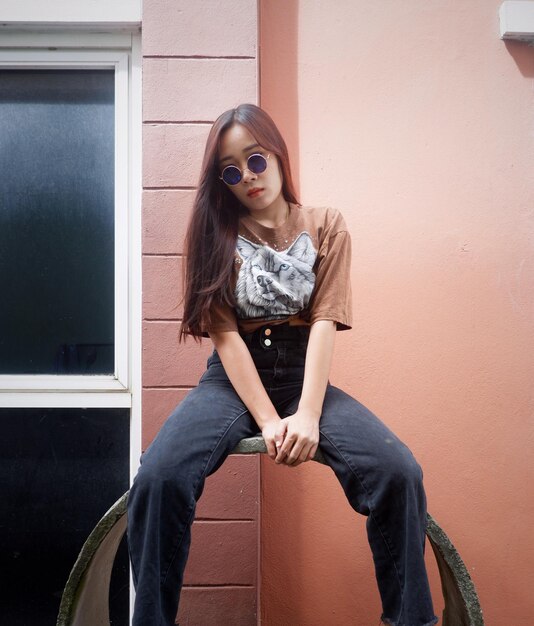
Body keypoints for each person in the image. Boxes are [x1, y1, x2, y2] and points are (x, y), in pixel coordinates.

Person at [127, 103, 438, 626]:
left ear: (276, 154)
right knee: (158, 477)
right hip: (231, 379)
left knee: (399, 471)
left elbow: (323, 322)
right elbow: (224, 335)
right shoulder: (215, 237)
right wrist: (270, 422)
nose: (247, 177)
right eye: (230, 171)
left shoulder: (325, 225)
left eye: (255, 159)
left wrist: (308, 414)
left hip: (303, 376)